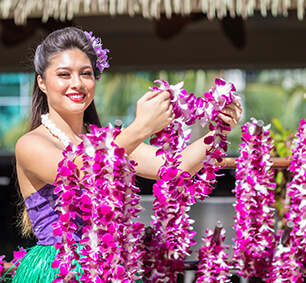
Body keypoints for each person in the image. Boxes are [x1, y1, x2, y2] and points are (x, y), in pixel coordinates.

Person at [13, 26, 242, 282]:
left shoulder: (113, 142)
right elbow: (80, 169)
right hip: (57, 271)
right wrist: (141, 127)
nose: (77, 83)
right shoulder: (30, 144)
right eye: (64, 74)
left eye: (85, 74)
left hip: (110, 268)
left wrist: (219, 130)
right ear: (42, 82)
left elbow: (174, 167)